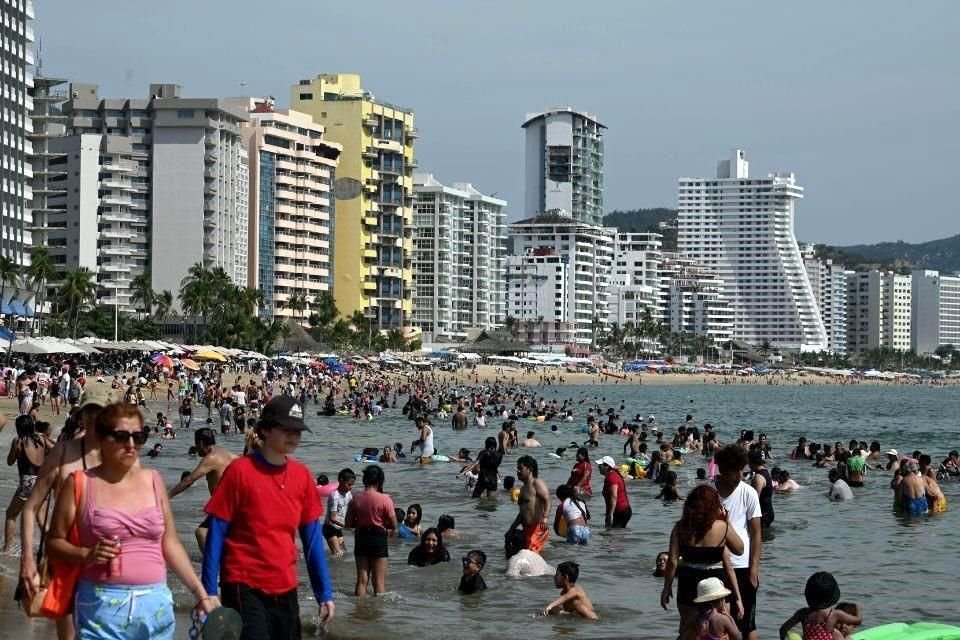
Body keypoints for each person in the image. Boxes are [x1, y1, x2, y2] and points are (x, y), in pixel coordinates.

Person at [46, 404, 218, 639]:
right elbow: (54, 542)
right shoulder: (79, 483)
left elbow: (171, 545)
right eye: (121, 436)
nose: (130, 444)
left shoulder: (153, 480)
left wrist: (201, 594)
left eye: (138, 437)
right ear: (100, 437)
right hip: (102, 607)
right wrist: (86, 554)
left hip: (155, 607)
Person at [201, 395, 335, 637]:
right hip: (243, 584)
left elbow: (313, 539)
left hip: (285, 586)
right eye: (286, 429)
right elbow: (217, 532)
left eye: (298, 430)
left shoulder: (302, 476)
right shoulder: (239, 471)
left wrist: (324, 593)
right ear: (265, 429)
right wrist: (209, 592)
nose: (293, 435)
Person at [19, 387, 118, 640]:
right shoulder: (63, 453)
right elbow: (31, 508)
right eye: (89, 412)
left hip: (107, 556)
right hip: (65, 555)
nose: (94, 419)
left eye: (101, 413)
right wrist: (28, 559)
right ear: (80, 415)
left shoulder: (120, 457)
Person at [661, 484, 744, 640]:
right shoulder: (722, 527)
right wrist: (727, 522)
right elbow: (739, 549)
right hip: (717, 586)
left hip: (689, 584)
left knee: (688, 631)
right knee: (720, 632)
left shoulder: (680, 528)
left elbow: (672, 561)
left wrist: (666, 588)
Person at [713, 445, 761, 640]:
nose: (740, 475)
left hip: (742, 565)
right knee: (719, 622)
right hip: (715, 566)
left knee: (747, 623)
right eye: (735, 471)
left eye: (743, 469)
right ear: (723, 470)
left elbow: (757, 534)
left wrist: (754, 570)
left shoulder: (748, 493)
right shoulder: (708, 493)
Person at [167, 427, 239, 550]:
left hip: (227, 507)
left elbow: (189, 480)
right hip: (235, 505)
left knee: (202, 533)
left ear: (200, 443)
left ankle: (213, 566)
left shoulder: (211, 458)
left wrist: (167, 496)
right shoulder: (228, 454)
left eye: (196, 444)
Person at [344, 464, 398, 596]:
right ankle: (378, 613)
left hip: (361, 536)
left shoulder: (355, 498)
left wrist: (362, 521)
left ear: (365, 480)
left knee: (362, 580)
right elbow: (393, 524)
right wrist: (381, 521)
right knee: (379, 581)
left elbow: (348, 523)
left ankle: (359, 610)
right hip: (378, 537)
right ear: (380, 481)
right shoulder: (385, 499)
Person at [779, 571, 862, 640]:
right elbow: (858, 620)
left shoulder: (802, 613)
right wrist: (857, 606)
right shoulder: (834, 614)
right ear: (832, 596)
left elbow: (783, 629)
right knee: (837, 634)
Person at [4, 415, 45, 553]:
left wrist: (14, 450)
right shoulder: (42, 439)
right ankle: (49, 548)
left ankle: (6, 549)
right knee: (41, 519)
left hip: (27, 482)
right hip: (42, 481)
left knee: (11, 514)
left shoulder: (18, 441)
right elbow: (56, 448)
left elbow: (10, 461)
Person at [506, 455, 551, 553]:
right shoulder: (522, 489)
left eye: (520, 468)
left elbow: (548, 500)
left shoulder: (537, 483)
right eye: (517, 468)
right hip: (526, 529)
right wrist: (512, 528)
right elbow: (522, 512)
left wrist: (545, 518)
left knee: (530, 556)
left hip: (538, 528)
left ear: (530, 469)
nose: (517, 471)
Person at [323, 468, 355, 555]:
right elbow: (332, 518)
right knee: (337, 554)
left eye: (352, 485)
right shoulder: (335, 496)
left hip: (338, 528)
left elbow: (353, 509)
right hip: (329, 528)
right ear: (341, 481)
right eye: (349, 484)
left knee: (343, 552)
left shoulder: (348, 494)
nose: (351, 487)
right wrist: (348, 526)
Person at [597, 455, 631, 527]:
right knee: (611, 534)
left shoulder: (612, 477)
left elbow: (614, 496)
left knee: (614, 536)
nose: (598, 467)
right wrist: (608, 514)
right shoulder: (609, 476)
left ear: (607, 466)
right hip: (619, 511)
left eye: (600, 465)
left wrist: (610, 514)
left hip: (621, 511)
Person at [748, 450, 774, 528]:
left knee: (759, 538)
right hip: (768, 512)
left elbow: (754, 500)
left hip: (763, 514)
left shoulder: (758, 477)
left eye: (749, 463)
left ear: (753, 462)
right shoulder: (765, 472)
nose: (749, 466)